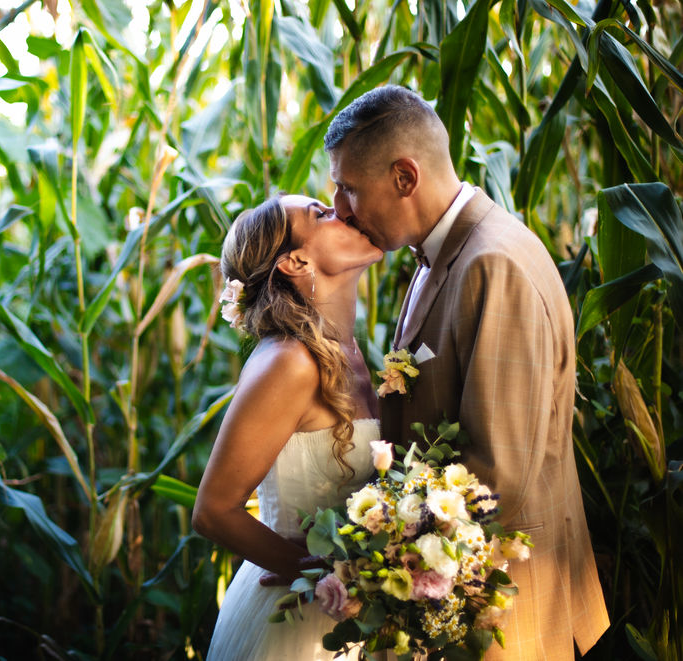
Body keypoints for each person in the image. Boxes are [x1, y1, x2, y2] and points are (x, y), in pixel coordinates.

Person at [324, 84, 609, 660]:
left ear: (405, 177)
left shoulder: (492, 264)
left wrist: (365, 557)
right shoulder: (441, 252)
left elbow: (494, 475)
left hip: (506, 618)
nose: (339, 208)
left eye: (349, 188)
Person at [192, 193, 383, 660]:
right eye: (322, 214)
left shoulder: (352, 353)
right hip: (299, 624)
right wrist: (324, 574)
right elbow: (213, 510)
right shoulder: (289, 362)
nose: (344, 211)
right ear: (295, 262)